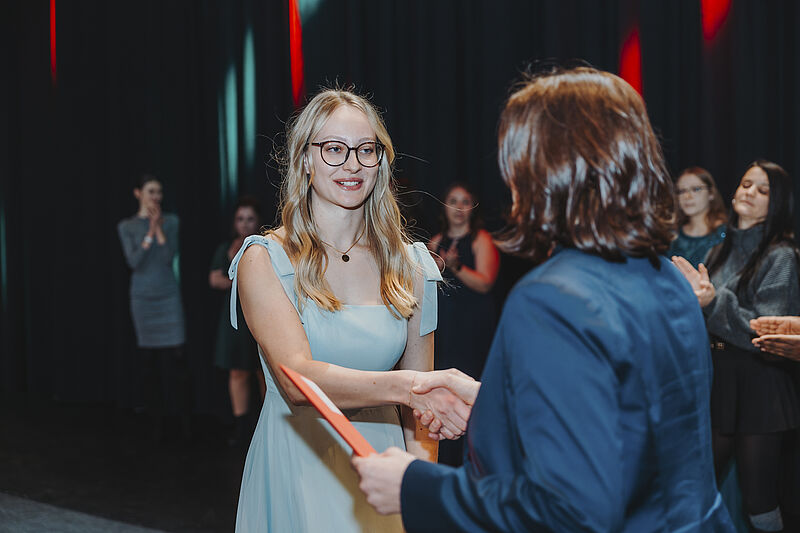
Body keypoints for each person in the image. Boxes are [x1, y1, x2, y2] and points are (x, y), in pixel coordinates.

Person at [352, 66, 734, 532]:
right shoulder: (667, 277)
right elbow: (632, 424)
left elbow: (570, 510)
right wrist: (496, 402)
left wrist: (414, 486)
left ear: (543, 170)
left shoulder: (553, 298)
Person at [228, 89, 470, 532]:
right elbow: (298, 381)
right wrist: (408, 387)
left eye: (366, 149)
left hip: (382, 477)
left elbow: (420, 418)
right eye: (334, 149)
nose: (353, 164)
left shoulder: (412, 265)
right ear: (306, 159)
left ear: (381, 160)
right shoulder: (265, 259)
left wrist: (420, 496)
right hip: (295, 469)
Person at [673, 160, 800, 532]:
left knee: (759, 502)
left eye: (763, 190)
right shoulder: (718, 251)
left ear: (777, 203)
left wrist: (713, 302)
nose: (750, 192)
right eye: (746, 184)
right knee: (697, 489)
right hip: (721, 383)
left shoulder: (781, 255)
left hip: (761, 388)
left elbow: (766, 334)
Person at [427, 182, 499, 466]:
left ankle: (476, 461)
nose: (458, 207)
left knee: (472, 385)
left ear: (472, 208)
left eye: (465, 201)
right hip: (446, 326)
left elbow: (485, 283)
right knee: (444, 387)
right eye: (453, 200)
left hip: (474, 326)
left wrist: (455, 267)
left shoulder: (481, 239)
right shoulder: (435, 242)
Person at [117, 174, 190, 439]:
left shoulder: (172, 221)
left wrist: (159, 228)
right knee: (148, 363)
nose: (156, 197)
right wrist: (149, 231)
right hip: (143, 298)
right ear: (138, 193)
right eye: (151, 191)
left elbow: (169, 256)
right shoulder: (126, 226)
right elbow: (134, 262)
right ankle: (155, 422)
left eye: (159, 192)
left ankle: (181, 421)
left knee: (177, 361)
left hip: (168, 296)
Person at [209, 196, 266, 446]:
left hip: (261, 315)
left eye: (249, 219)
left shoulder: (265, 245)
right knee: (237, 372)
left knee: (264, 371)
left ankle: (267, 427)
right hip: (233, 318)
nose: (244, 223)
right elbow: (214, 280)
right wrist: (242, 281)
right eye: (240, 219)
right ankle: (241, 429)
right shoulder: (226, 247)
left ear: (258, 221)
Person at [668, 167, 727, 267]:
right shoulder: (672, 234)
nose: (687, 196)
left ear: (711, 193)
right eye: (682, 191)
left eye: (695, 189)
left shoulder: (725, 234)